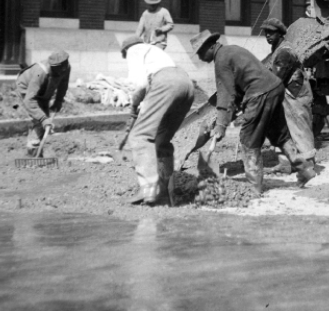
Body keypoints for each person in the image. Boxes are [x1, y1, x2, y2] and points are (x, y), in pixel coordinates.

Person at [191, 30, 315, 197]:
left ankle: (254, 188)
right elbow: (239, 87)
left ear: (211, 46)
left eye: (200, 52)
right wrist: (227, 116)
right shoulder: (233, 50)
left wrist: (221, 125)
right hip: (275, 88)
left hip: (259, 94)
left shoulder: (221, 60)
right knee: (280, 135)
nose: (200, 57)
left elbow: (225, 94)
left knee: (248, 139)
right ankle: (304, 168)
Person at [121, 36, 194, 206]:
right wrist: (139, 103)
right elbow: (147, 85)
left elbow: (139, 84)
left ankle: (149, 188)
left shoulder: (133, 50)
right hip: (186, 84)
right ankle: (165, 188)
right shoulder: (155, 51)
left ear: (126, 50)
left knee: (139, 135)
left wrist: (133, 105)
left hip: (165, 83)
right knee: (161, 140)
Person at [260, 18, 317, 175]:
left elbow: (277, 79)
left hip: (296, 95)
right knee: (286, 129)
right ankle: (287, 164)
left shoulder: (285, 51)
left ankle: (308, 166)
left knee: (300, 129)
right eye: (266, 33)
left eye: (271, 33)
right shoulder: (278, 49)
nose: (268, 36)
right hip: (289, 93)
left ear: (280, 34)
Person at [15, 50, 71, 155]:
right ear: (54, 66)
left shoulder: (65, 68)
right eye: (59, 69)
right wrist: (43, 119)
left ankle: (36, 151)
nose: (63, 70)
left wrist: (58, 101)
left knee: (44, 118)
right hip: (26, 89)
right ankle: (33, 152)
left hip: (44, 90)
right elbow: (29, 99)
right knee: (39, 119)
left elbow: (63, 84)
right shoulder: (41, 72)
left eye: (64, 67)